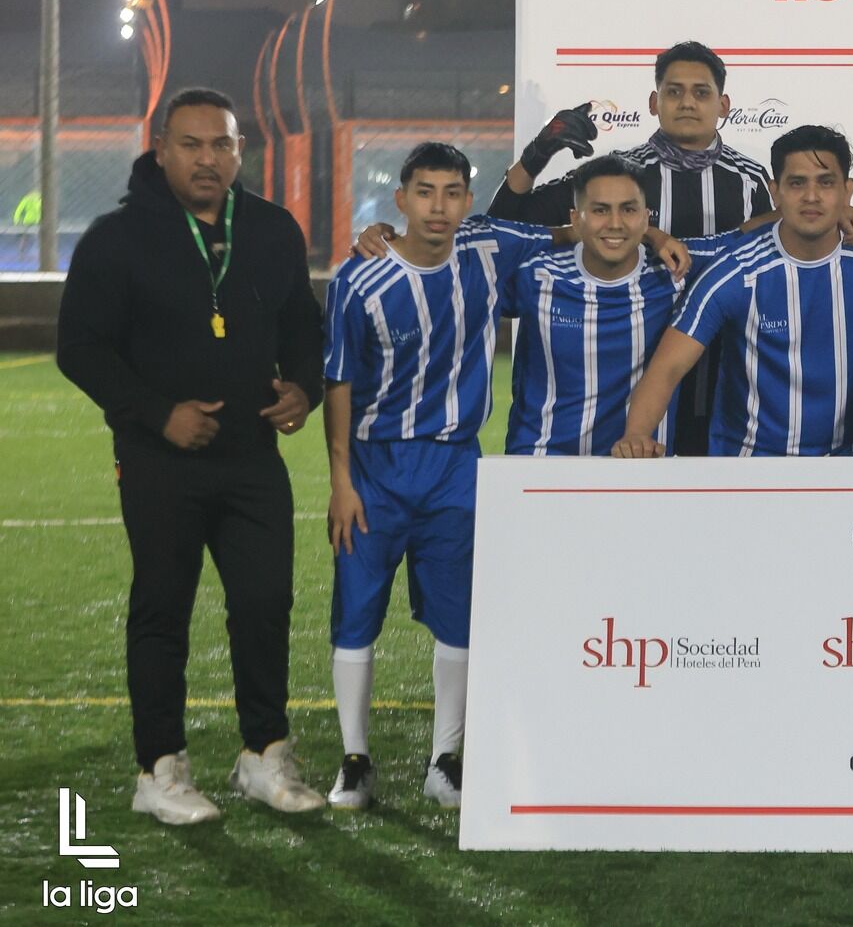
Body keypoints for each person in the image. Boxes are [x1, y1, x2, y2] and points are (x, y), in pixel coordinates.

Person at [56, 88, 326, 824]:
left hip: (252, 457)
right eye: (192, 144)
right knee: (163, 608)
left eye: (223, 144)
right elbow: (79, 347)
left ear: (240, 150)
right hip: (158, 460)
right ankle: (160, 768)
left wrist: (303, 387)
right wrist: (157, 413)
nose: (209, 159)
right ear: (161, 149)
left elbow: (302, 323)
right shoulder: (115, 238)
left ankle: (264, 754)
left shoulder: (270, 228)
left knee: (265, 603)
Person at [322, 142, 557, 810]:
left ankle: (445, 760)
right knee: (356, 614)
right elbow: (337, 382)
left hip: (456, 465)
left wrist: (652, 234)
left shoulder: (487, 249)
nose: (439, 206)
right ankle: (354, 760)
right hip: (375, 467)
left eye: (453, 192)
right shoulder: (357, 279)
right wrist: (341, 481)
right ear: (401, 199)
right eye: (425, 191)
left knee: (459, 615)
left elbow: (576, 231)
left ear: (466, 200)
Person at [489, 41, 772, 453]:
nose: (687, 103)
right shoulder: (618, 176)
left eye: (701, 92)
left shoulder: (751, 180)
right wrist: (537, 154)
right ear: (654, 103)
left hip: (726, 385)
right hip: (630, 384)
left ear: (723, 104)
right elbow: (505, 225)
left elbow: (762, 254)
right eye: (674, 92)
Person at [615, 125, 853, 457]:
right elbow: (667, 368)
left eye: (826, 183)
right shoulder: (736, 270)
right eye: (797, 183)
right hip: (746, 466)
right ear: (775, 192)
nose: (811, 196)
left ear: (847, 191)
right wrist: (636, 435)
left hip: (846, 464)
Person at [502, 155, 695, 458]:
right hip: (541, 463)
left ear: (646, 217)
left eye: (628, 210)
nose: (615, 223)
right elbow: (484, 238)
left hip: (638, 465)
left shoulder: (674, 272)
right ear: (576, 219)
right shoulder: (536, 274)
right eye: (600, 210)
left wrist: (654, 236)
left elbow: (748, 237)